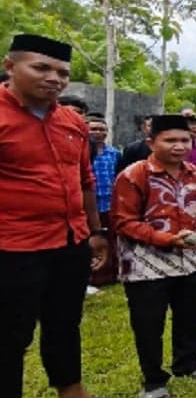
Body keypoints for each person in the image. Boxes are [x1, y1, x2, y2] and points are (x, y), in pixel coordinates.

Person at [0, 34, 117, 398]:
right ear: (11, 66)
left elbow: (85, 181)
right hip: (12, 247)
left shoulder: (70, 121)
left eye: (63, 73)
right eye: (42, 69)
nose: (54, 79)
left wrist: (96, 232)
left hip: (68, 241)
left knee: (65, 321)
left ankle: (71, 394)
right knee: (9, 337)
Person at [111, 114, 196, 398]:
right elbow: (123, 222)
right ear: (151, 142)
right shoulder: (134, 175)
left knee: (190, 316)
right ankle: (154, 381)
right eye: (170, 140)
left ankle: (186, 363)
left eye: (184, 140)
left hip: (188, 261)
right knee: (149, 324)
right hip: (146, 265)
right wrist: (166, 238)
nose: (179, 146)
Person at [87, 114, 122, 287]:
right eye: (93, 129)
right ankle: (90, 276)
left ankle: (109, 275)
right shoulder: (83, 152)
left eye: (102, 129)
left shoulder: (114, 153)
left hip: (109, 204)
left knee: (111, 240)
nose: (98, 133)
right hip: (88, 205)